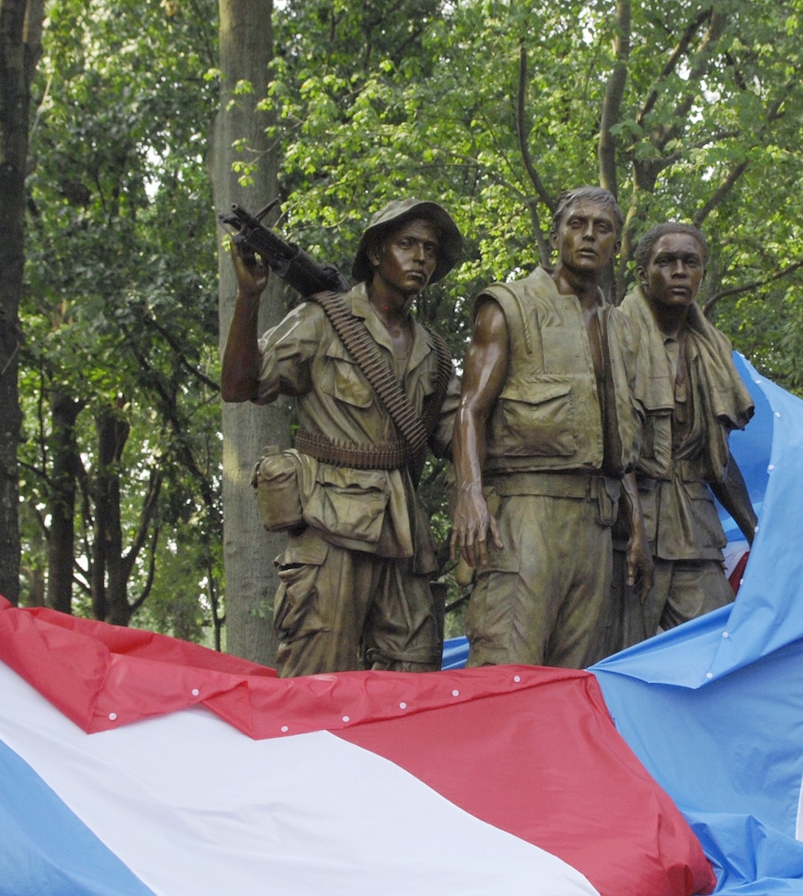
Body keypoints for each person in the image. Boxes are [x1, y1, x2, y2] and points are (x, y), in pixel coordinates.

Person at [221, 198, 465, 676]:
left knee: (413, 682)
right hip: (329, 527)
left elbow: (463, 437)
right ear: (376, 254)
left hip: (404, 538)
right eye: (407, 244)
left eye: (431, 250)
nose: (421, 257)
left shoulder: (434, 352)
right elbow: (239, 387)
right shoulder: (322, 320)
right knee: (316, 686)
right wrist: (249, 299)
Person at [453, 187, 640, 668]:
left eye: (603, 229)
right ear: (557, 234)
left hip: (597, 524)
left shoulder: (620, 327)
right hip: (524, 513)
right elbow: (469, 409)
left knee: (574, 683)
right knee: (506, 667)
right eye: (577, 224)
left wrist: (634, 520)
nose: (588, 236)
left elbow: (619, 435)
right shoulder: (509, 306)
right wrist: (470, 493)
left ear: (616, 244)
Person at [611, 223, 757, 650]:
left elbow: (718, 458)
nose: (679, 271)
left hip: (694, 530)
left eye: (689, 263)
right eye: (666, 262)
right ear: (642, 273)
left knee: (719, 653)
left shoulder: (713, 348)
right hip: (625, 532)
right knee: (619, 662)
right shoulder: (613, 334)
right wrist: (635, 528)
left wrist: (755, 531)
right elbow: (610, 447)